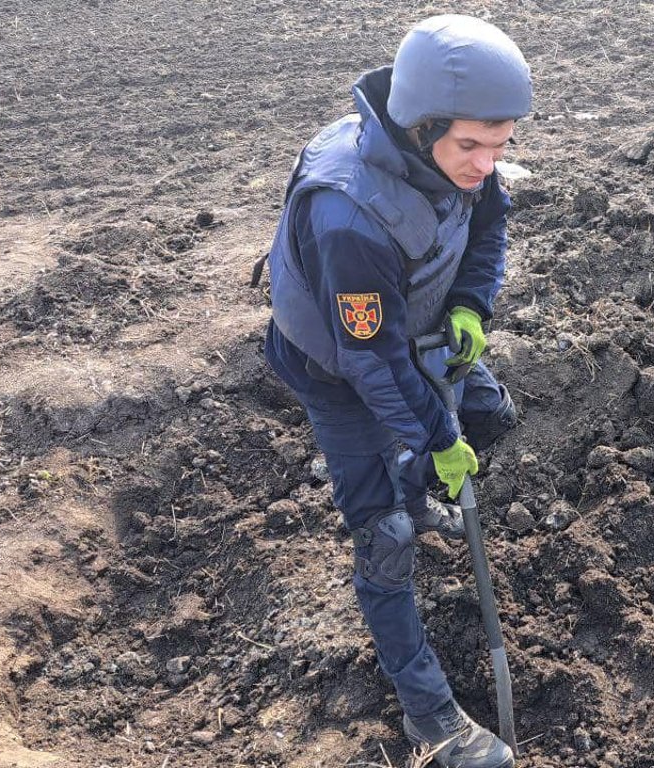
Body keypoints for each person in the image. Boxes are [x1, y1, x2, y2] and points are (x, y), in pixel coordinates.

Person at [259, 14, 529, 768]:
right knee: (386, 540)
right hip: (340, 369)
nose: (486, 163)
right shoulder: (351, 213)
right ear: (419, 128)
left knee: (490, 412)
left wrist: (472, 304)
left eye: (500, 145)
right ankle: (430, 717)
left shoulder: (463, 160)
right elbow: (372, 364)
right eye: (471, 146)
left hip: (414, 332)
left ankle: (414, 489)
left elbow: (489, 224)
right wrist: (437, 443)